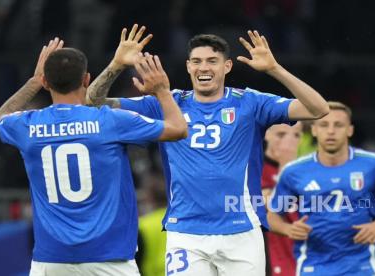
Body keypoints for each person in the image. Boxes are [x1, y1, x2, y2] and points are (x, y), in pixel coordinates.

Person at [87, 26, 329, 275]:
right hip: (185, 232)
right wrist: (116, 64)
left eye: (213, 61)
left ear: (227, 67)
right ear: (189, 66)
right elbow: (91, 104)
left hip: (241, 231)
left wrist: (274, 69)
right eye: (197, 61)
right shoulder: (165, 103)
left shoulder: (251, 102)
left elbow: (318, 109)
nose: (204, 67)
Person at [0, 36, 187, 275]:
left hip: (51, 260)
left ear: (45, 81)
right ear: (86, 79)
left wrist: (33, 81)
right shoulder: (110, 120)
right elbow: (178, 129)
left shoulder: (28, 126)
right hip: (108, 258)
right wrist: (162, 92)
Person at [268, 101, 375, 275]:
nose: (330, 131)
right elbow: (272, 215)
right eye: (324, 125)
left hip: (364, 265)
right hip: (314, 266)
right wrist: (288, 229)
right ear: (314, 130)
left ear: (350, 130)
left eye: (338, 125)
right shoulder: (293, 171)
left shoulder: (373, 165)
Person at [261, 123, 302, 276]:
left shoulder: (309, 170)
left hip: (301, 256)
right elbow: (272, 205)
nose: (288, 142)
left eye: (296, 135)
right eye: (281, 135)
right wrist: (286, 167)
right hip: (267, 258)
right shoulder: (252, 167)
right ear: (266, 133)